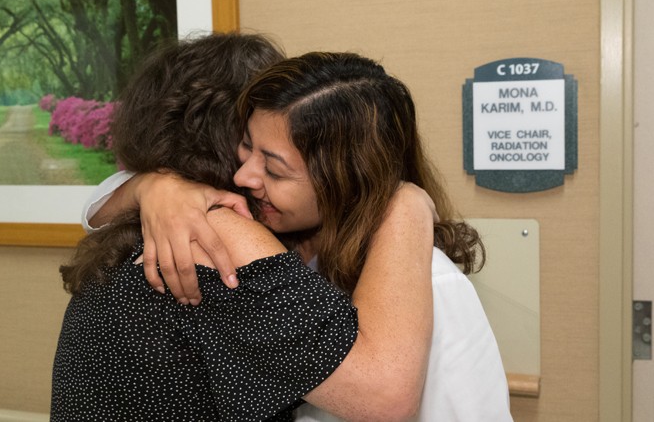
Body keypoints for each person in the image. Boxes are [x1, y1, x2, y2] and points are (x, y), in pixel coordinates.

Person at [85, 51, 512, 420]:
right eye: (246, 146)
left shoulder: (432, 287)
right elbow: (95, 210)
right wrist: (154, 186)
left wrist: (407, 205)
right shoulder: (282, 252)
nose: (243, 175)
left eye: (274, 168)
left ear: (347, 180)